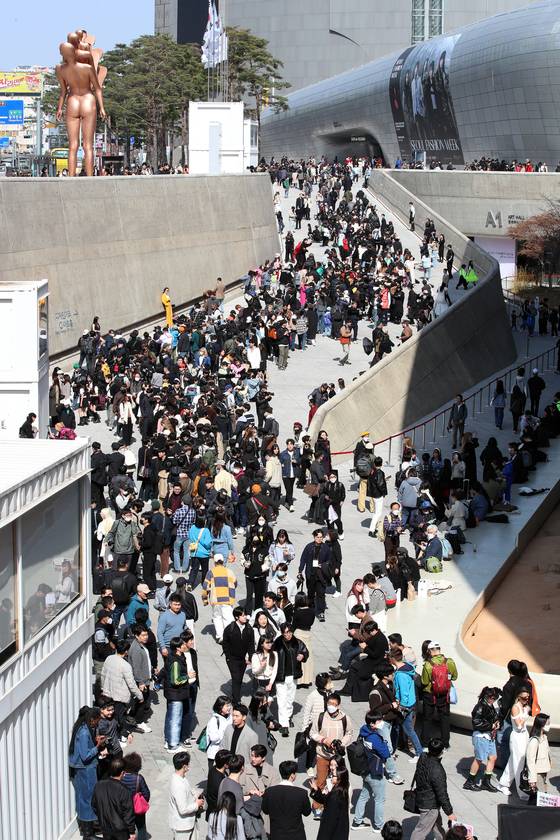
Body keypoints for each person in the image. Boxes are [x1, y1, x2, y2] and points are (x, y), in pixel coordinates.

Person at [310, 692, 354, 814]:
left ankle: (335, 806)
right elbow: (312, 733)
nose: (331, 706)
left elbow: (349, 733)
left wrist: (342, 743)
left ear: (338, 705)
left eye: (334, 704)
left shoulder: (345, 718)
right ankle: (317, 806)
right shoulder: (320, 717)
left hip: (337, 757)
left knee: (338, 781)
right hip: (322, 755)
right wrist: (324, 740)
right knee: (321, 780)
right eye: (329, 703)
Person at [69, 706, 108, 840]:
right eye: (97, 720)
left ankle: (88, 829)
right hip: (85, 770)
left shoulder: (82, 728)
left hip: (83, 769)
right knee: (87, 799)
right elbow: (85, 756)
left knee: (84, 799)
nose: (98, 723)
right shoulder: (84, 732)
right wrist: (97, 747)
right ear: (92, 719)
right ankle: (88, 834)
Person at [410, 738, 457, 840]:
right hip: (429, 805)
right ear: (441, 752)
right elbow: (442, 794)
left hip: (423, 798)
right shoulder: (438, 770)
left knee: (437, 826)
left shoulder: (422, 757)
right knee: (420, 831)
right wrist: (449, 812)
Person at [352, 712, 391, 832]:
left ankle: (357, 822)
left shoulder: (364, 731)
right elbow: (386, 753)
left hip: (365, 769)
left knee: (364, 795)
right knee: (379, 799)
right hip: (375, 771)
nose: (381, 723)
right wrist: (384, 742)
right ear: (372, 724)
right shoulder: (374, 737)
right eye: (379, 721)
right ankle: (378, 825)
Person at [100, 640, 144, 738]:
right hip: (120, 697)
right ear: (126, 651)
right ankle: (118, 737)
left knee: (109, 717)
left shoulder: (109, 658)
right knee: (118, 718)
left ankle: (112, 735)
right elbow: (131, 684)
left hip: (108, 693)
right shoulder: (126, 666)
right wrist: (140, 696)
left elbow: (103, 674)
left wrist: (103, 688)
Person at [262, 760, 311, 840]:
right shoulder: (301, 793)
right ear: (292, 775)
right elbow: (307, 812)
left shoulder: (269, 792)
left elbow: (265, 810)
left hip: (276, 835)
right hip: (296, 836)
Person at [274, 622, 309, 736]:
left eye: (289, 632)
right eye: (285, 633)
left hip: (292, 675)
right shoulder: (277, 643)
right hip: (280, 675)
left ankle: (288, 717)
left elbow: (305, 651)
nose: (287, 635)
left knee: (290, 698)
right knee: (281, 700)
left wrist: (302, 656)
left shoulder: (297, 642)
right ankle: (283, 724)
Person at [420, 641, 457, 748]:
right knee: (445, 718)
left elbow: (424, 682)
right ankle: (445, 743)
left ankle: (425, 743)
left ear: (430, 651)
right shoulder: (449, 662)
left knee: (427, 719)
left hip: (430, 694)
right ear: (440, 649)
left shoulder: (428, 665)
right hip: (445, 694)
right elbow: (454, 677)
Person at [463, 686, 500, 792]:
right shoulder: (480, 707)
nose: (493, 699)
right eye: (491, 697)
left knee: (493, 757)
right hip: (481, 735)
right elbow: (476, 722)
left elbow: (494, 717)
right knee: (479, 759)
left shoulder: (490, 706)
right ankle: (469, 782)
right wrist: (491, 726)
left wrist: (497, 723)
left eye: (495, 698)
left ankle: (486, 782)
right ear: (486, 696)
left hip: (489, 735)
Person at [497, 686, 531, 799]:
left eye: (528, 698)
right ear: (519, 697)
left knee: (514, 761)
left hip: (524, 736)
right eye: (524, 698)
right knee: (518, 762)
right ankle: (522, 791)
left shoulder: (525, 707)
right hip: (517, 737)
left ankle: (503, 784)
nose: (526, 700)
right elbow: (519, 725)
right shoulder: (515, 707)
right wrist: (525, 715)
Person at [91, 756, 136, 840]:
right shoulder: (124, 790)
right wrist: (132, 832)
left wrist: (102, 817)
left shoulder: (98, 785)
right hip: (121, 830)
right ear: (122, 773)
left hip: (104, 827)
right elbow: (128, 814)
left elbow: (94, 805)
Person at [310, 756, 350, 840]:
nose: (332, 768)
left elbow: (331, 819)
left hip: (336, 825)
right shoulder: (332, 781)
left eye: (335, 765)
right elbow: (325, 799)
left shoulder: (341, 790)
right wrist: (316, 790)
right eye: (331, 765)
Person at [163, 636, 191, 753]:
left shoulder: (175, 657)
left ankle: (168, 740)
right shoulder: (175, 661)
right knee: (175, 719)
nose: (185, 646)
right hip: (176, 694)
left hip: (173, 694)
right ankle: (173, 744)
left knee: (170, 718)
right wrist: (188, 676)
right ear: (178, 648)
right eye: (183, 645)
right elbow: (175, 680)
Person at [168, 751, 205, 840]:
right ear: (184, 766)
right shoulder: (178, 785)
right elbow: (183, 809)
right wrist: (197, 804)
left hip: (185, 824)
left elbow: (187, 791)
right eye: (188, 764)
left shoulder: (180, 778)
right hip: (182, 826)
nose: (189, 766)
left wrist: (195, 794)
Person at [202, 554, 238, 643]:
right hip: (228, 599)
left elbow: (205, 586)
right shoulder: (229, 571)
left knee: (217, 617)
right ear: (223, 561)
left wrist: (205, 600)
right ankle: (229, 636)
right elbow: (235, 583)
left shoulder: (211, 572)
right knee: (228, 618)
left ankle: (220, 636)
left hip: (215, 599)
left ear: (214, 562)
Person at [222, 606, 254, 702]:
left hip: (243, 659)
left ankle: (235, 694)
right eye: (243, 615)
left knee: (239, 678)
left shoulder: (249, 629)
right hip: (232, 659)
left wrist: (251, 657)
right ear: (237, 617)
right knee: (236, 677)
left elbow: (251, 644)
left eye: (246, 615)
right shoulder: (230, 629)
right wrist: (228, 656)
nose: (245, 617)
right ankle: (236, 700)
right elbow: (225, 643)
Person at [121, 752, 151, 840]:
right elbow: (146, 794)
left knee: (126, 829)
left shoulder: (121, 777)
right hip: (137, 809)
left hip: (124, 809)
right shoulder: (139, 778)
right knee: (141, 828)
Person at [526, 712, 552, 796]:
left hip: (543, 772)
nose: (549, 725)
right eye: (547, 723)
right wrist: (532, 779)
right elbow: (530, 761)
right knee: (539, 797)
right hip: (537, 774)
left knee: (541, 796)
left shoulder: (544, 737)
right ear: (541, 724)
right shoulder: (534, 741)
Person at [206, 749, 233, 819]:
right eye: (230, 761)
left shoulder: (213, 769)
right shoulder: (220, 782)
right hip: (217, 815)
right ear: (225, 765)